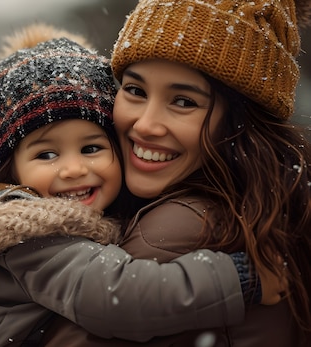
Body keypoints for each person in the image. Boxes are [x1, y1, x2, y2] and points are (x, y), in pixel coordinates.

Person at [0, 23, 283, 346]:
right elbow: (119, 298)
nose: (72, 169)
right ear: (11, 175)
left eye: (90, 147)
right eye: (46, 155)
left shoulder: (92, 220)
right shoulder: (31, 235)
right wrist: (238, 279)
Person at [30, 0, 311, 345]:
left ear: (240, 123)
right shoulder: (261, 211)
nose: (146, 125)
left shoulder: (178, 232)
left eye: (183, 101)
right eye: (135, 90)